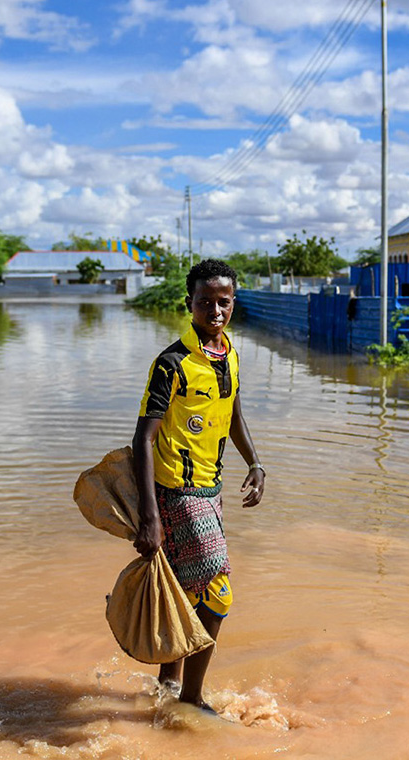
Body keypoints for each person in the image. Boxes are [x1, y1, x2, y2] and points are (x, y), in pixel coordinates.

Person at [131, 258, 265, 711]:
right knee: (218, 592)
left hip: (211, 490)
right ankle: (192, 697)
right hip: (176, 494)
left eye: (223, 302)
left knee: (186, 592)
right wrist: (150, 517)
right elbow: (142, 441)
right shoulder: (171, 363)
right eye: (204, 301)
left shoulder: (230, 354)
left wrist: (256, 463)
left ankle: (165, 690)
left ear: (233, 304)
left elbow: (234, 417)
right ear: (188, 304)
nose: (215, 310)